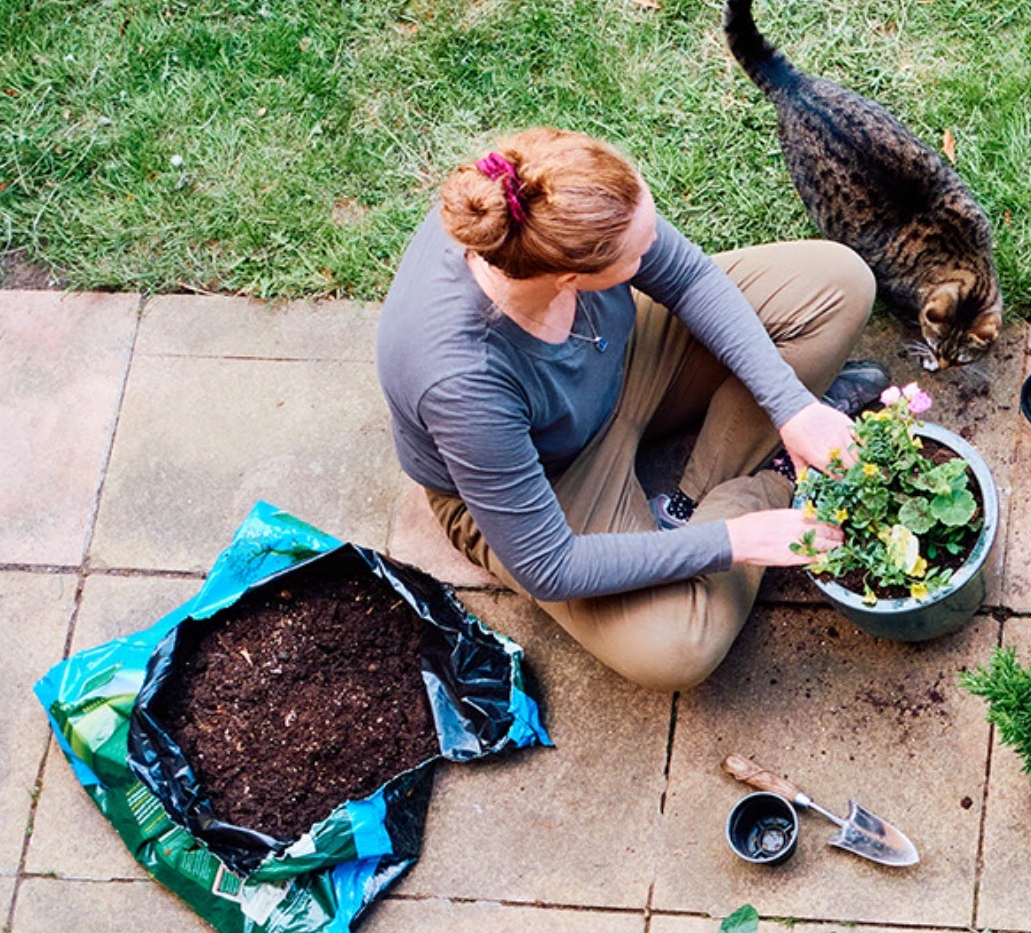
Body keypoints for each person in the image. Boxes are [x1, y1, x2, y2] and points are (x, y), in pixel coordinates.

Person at [375, 127, 883, 691]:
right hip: (551, 474)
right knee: (678, 649)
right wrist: (735, 541)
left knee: (839, 283)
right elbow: (552, 567)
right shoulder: (460, 380)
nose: (652, 251)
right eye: (637, 254)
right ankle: (769, 486)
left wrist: (793, 409)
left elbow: (688, 276)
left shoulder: (538, 195)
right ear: (570, 277)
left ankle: (692, 500)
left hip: (621, 356)